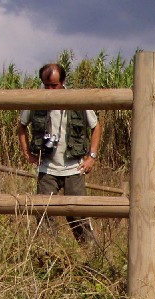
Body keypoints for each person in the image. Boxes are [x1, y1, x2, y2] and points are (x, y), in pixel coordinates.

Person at [17, 63, 102, 244]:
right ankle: (49, 254)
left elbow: (96, 127)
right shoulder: (35, 101)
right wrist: (27, 154)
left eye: (54, 86)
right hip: (47, 169)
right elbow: (21, 127)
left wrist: (91, 157)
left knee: (78, 216)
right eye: (46, 85)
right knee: (44, 215)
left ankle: (91, 254)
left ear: (63, 81)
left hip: (74, 168)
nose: (49, 90)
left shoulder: (78, 100)